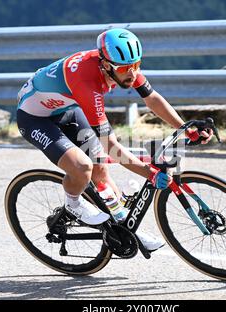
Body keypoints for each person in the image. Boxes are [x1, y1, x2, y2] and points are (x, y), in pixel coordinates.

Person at [16, 28, 213, 252]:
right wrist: (150, 173)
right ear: (106, 65)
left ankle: (127, 228)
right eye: (125, 69)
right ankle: (73, 203)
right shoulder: (86, 80)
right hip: (34, 119)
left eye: (137, 65)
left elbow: (152, 99)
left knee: (100, 169)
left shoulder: (122, 64)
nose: (132, 73)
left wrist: (186, 129)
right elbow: (112, 148)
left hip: (68, 110)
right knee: (82, 167)